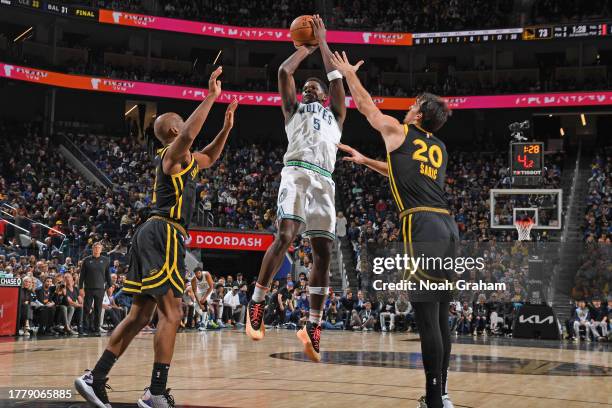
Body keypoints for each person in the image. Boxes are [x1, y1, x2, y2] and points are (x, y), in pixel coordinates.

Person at [75, 67, 237, 408]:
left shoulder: (187, 162)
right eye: (182, 127)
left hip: (157, 234)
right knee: (173, 315)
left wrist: (225, 129)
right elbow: (192, 139)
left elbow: (209, 155)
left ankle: (95, 378)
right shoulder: (171, 156)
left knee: (139, 316)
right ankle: (156, 392)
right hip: (163, 233)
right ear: (175, 130)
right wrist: (210, 97)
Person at [330, 50, 455, 408]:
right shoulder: (439, 148)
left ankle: (432, 400)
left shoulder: (399, 131)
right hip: (447, 227)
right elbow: (400, 171)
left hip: (422, 224)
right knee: (441, 314)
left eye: (413, 103)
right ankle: (442, 394)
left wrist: (347, 74)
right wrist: (366, 160)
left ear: (417, 113)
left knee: (426, 315)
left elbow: (368, 107)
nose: (408, 107)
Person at [246, 15, 346, 363]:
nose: (309, 89)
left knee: (323, 253)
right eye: (307, 89)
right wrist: (307, 48)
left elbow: (336, 79)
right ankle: (257, 302)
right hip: (297, 172)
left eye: (314, 88)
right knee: (286, 235)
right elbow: (284, 74)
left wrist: (324, 44)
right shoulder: (293, 110)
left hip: (325, 179)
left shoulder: (335, 113)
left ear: (324, 95)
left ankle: (313, 326)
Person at [79, 242, 111, 335]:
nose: (97, 249)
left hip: (100, 289)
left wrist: (110, 286)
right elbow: (82, 276)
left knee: (98, 309)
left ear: (101, 249)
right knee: (87, 309)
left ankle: (96, 329)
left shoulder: (105, 260)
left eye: (99, 248)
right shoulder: (86, 260)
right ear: (92, 249)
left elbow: (108, 275)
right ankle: (85, 329)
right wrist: (81, 288)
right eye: (95, 248)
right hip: (88, 288)